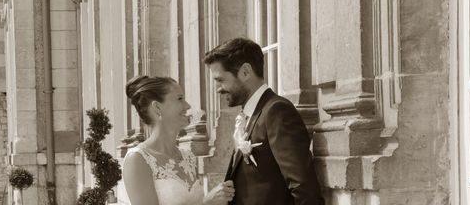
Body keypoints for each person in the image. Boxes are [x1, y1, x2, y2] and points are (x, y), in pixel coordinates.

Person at [204, 37, 324, 205]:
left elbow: (304, 189)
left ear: (245, 72)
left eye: (220, 80)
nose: (218, 89)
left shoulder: (277, 111)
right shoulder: (248, 116)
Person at [122, 75, 235, 205]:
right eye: (180, 99)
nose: (188, 106)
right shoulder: (137, 159)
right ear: (157, 107)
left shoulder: (188, 157)